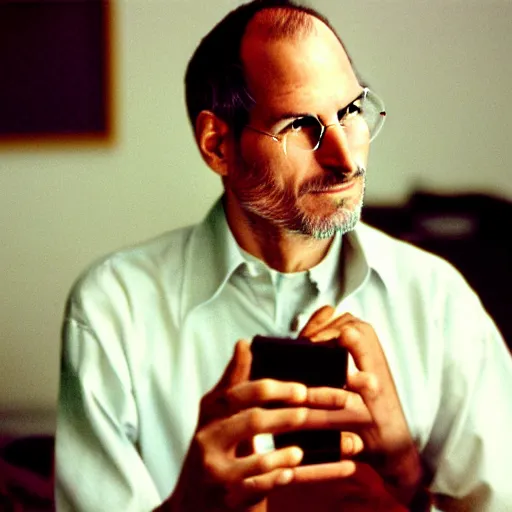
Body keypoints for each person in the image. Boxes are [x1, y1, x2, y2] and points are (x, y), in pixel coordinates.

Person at [55, 0, 512, 510]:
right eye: (300, 125)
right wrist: (187, 506)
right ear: (218, 145)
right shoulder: (111, 312)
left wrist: (406, 473)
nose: (345, 159)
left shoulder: (439, 301)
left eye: (350, 112)